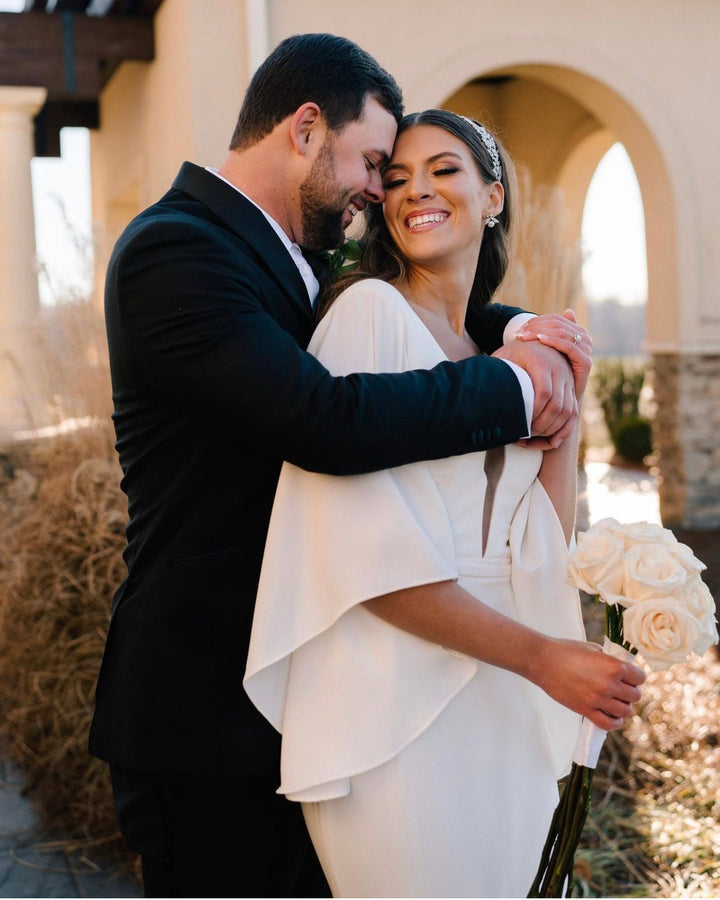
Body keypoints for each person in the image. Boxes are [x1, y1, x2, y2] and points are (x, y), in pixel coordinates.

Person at [89, 33, 587, 900]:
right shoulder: (176, 252)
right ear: (306, 128)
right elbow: (324, 418)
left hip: (330, 692)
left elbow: (421, 311)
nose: (376, 189)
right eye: (372, 162)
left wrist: (517, 330)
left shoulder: (303, 260)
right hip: (206, 709)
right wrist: (514, 388)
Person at [243, 109, 647, 898]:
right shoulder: (369, 316)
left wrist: (562, 407)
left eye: (444, 169)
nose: (415, 190)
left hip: (505, 691)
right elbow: (365, 560)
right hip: (399, 706)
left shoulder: (494, 357)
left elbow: (536, 543)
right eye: (395, 179)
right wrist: (546, 660)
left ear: (494, 194)